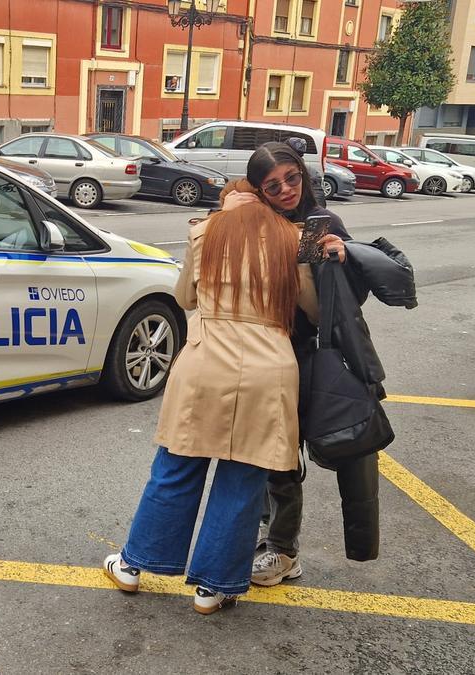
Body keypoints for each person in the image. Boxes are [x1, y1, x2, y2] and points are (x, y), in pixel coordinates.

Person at [102, 167, 345, 615]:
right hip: (268, 366)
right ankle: (213, 588)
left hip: (206, 360)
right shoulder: (294, 238)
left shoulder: (203, 231)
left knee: (177, 467)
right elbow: (312, 309)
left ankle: (134, 566)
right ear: (264, 197)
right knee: (244, 480)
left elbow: (186, 299)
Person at [220, 142, 352, 588]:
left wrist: (338, 257)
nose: (286, 190)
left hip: (293, 351)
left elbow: (337, 305)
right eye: (272, 186)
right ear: (259, 190)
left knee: (280, 454)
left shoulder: (321, 224)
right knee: (250, 450)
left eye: (292, 178)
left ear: (303, 174)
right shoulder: (254, 222)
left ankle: (283, 549)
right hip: (245, 350)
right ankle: (260, 534)